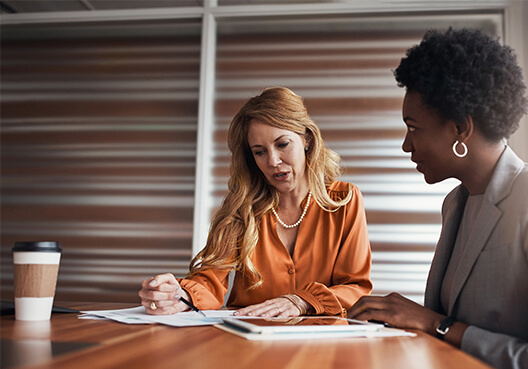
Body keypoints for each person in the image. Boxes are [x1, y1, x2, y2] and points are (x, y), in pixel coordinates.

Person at [347, 28, 528, 369]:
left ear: (460, 128)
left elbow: (443, 326)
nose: (406, 145)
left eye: (413, 128)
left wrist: (435, 324)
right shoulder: (456, 203)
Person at [140, 86, 372, 318]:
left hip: (320, 345)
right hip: (247, 340)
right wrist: (179, 296)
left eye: (282, 145)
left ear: (307, 139)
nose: (272, 161)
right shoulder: (242, 206)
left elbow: (356, 287)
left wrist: (301, 301)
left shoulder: (344, 200)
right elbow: (210, 281)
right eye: (259, 152)